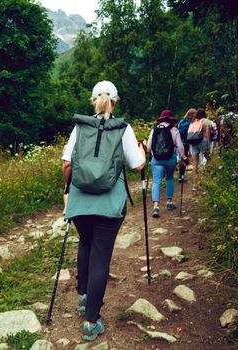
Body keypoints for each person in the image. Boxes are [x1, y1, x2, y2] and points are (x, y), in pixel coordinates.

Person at [62, 81, 146, 341]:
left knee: (85, 243)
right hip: (109, 205)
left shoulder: (81, 126)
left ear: (93, 101)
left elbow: (66, 164)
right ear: (115, 101)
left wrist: (68, 191)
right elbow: (137, 165)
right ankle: (90, 322)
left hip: (80, 202)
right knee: (100, 256)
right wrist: (143, 153)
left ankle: (84, 295)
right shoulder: (123, 127)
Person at [147, 110, 188, 218]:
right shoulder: (174, 129)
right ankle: (169, 202)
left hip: (156, 159)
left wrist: (153, 153)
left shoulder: (154, 129)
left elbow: (148, 146)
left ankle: (156, 206)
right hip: (170, 158)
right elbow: (180, 146)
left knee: (156, 181)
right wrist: (184, 158)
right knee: (169, 178)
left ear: (161, 119)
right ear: (170, 119)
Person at [189, 108, 211, 191]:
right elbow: (207, 132)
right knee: (209, 159)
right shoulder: (205, 121)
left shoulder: (193, 121)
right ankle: (206, 179)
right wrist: (208, 143)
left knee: (195, 164)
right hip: (202, 141)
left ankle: (195, 185)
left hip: (193, 142)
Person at [177, 108, 195, 182]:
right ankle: (182, 177)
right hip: (186, 142)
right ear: (192, 115)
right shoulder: (190, 123)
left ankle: (180, 176)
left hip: (180, 142)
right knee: (184, 159)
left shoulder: (181, 121)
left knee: (182, 159)